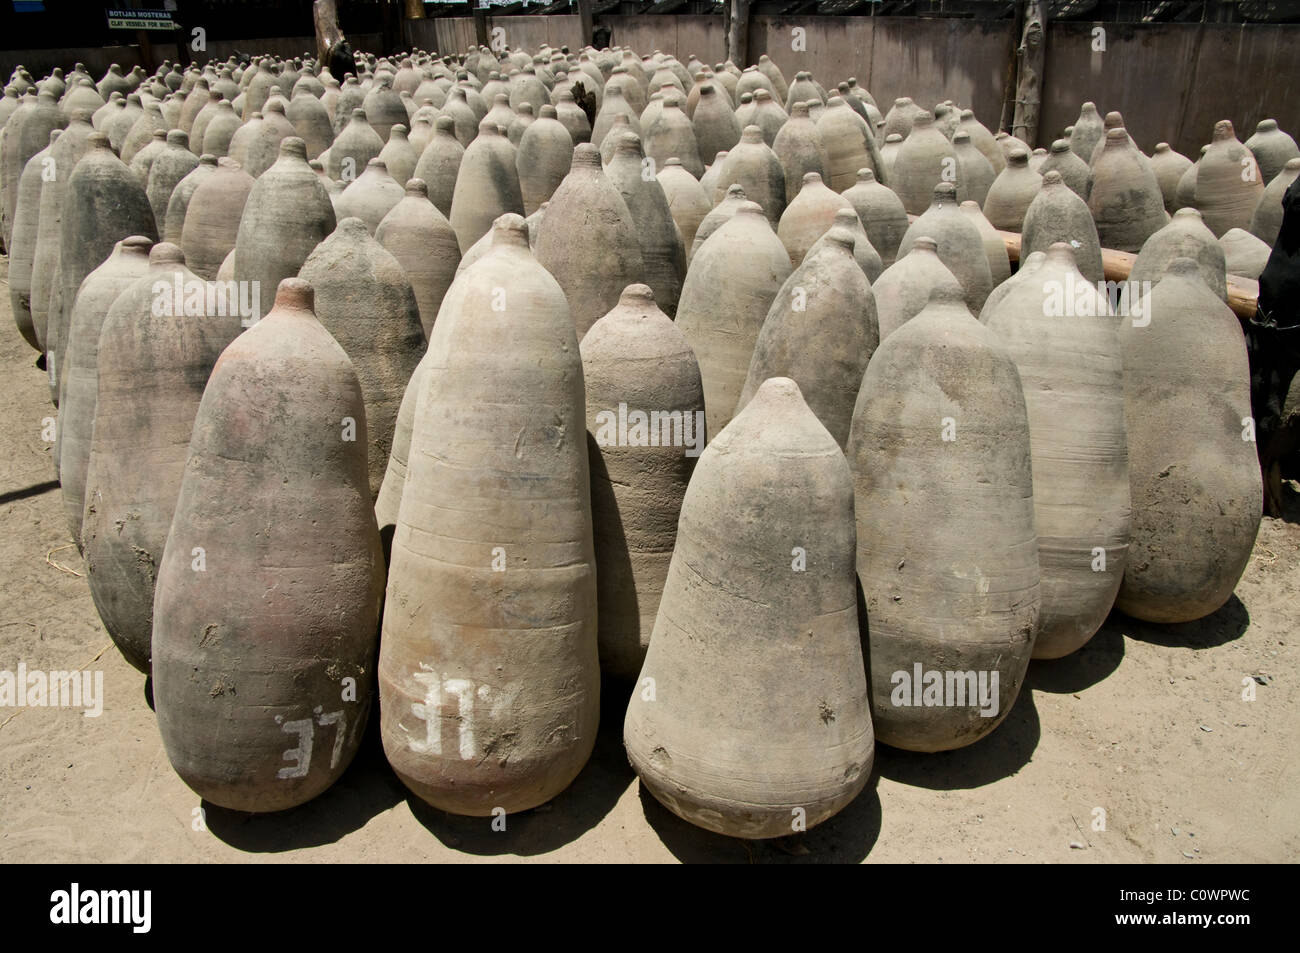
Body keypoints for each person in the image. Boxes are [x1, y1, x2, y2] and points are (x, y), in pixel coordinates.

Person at [1247, 171, 1300, 516]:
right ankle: (1263, 477)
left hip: (1278, 294)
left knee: (1263, 393)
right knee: (1267, 400)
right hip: (1286, 306)